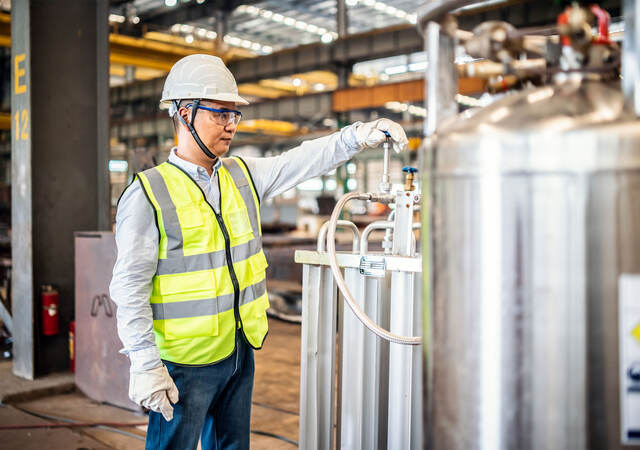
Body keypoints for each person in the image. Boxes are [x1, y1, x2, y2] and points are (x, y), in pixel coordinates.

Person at [110, 53, 408, 450]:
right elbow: (129, 286)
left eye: (235, 116)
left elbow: (300, 160)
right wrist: (145, 363)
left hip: (238, 350)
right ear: (184, 112)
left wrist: (355, 136)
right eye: (220, 114)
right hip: (184, 364)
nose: (231, 126)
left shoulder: (241, 175)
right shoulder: (148, 193)